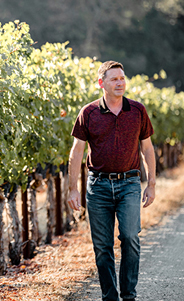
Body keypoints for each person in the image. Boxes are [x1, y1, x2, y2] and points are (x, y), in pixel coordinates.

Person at [67, 61, 156, 301]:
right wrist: (73, 189)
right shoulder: (88, 112)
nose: (120, 82)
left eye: (122, 78)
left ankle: (128, 295)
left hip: (129, 183)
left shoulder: (137, 110)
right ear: (101, 83)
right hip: (98, 186)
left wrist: (152, 184)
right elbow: (76, 152)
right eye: (114, 79)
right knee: (102, 246)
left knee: (129, 237)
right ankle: (110, 297)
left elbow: (147, 149)